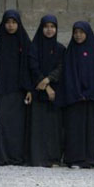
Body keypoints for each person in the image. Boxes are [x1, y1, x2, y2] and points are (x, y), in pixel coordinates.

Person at [57, 21, 94, 168]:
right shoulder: (70, 52)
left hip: (91, 98)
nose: (78, 35)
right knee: (75, 129)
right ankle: (74, 158)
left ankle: (90, 159)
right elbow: (68, 75)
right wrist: (77, 92)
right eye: (75, 32)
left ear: (87, 34)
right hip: (74, 98)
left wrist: (89, 92)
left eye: (81, 32)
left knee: (90, 129)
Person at [28, 15, 65, 167]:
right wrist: (46, 85)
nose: (49, 30)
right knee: (38, 126)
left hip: (55, 94)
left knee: (53, 127)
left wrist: (49, 80)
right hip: (39, 92)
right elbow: (32, 67)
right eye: (46, 26)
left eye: (52, 27)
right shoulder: (33, 47)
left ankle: (53, 158)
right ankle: (38, 158)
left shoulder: (61, 49)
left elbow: (61, 67)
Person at [0, 10, 32, 166]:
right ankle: (2, 156)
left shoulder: (23, 41)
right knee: (3, 125)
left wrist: (28, 89)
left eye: (13, 22)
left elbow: (28, 65)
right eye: (8, 22)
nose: (10, 26)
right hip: (1, 90)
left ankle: (16, 156)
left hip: (18, 91)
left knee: (17, 128)